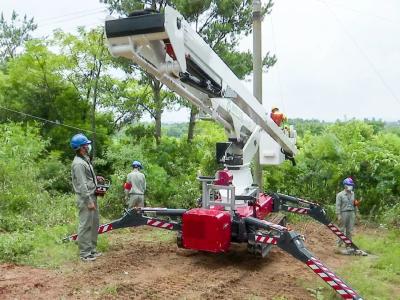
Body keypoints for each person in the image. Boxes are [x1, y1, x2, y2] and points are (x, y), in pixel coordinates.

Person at [70, 133, 101, 261]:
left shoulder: (84, 160)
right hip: (85, 199)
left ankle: (92, 250)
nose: (88, 147)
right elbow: (82, 184)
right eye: (86, 145)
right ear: (81, 147)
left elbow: (86, 178)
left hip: (92, 196)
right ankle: (84, 253)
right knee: (85, 225)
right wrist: (88, 200)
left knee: (94, 224)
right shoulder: (78, 163)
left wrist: (96, 179)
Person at [336, 177, 358, 247]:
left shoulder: (353, 193)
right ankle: (339, 244)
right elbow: (338, 206)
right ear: (345, 185)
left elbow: (354, 204)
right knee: (341, 229)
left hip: (351, 213)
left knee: (349, 230)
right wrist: (338, 216)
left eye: (351, 185)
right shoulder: (340, 195)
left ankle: (348, 244)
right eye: (349, 185)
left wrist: (357, 213)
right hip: (343, 213)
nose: (350, 186)